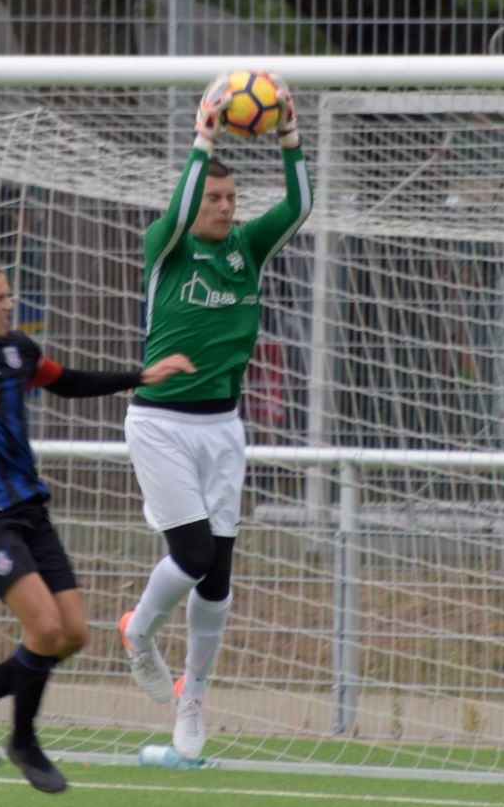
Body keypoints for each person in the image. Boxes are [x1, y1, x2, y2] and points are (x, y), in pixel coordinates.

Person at [0, 253, 194, 793]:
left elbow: (65, 380)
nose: (10, 304)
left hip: (31, 510)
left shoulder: (18, 351)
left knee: (72, 634)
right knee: (44, 629)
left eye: (9, 295)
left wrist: (140, 375)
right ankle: (23, 740)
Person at [119, 71, 313, 761]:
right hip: (161, 424)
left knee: (219, 575)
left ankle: (192, 699)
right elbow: (177, 211)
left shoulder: (247, 248)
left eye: (232, 198)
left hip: (223, 429)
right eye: (215, 198)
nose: (227, 208)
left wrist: (290, 136)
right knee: (193, 554)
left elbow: (300, 205)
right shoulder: (166, 246)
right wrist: (203, 138)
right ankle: (139, 631)